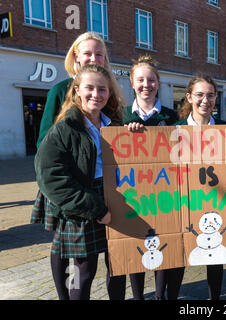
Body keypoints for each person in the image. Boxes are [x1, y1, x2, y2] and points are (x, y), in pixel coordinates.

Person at [30, 32, 127, 300]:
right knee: (81, 268)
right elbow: (49, 158)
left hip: (108, 188)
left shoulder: (110, 112)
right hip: (78, 189)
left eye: (99, 54)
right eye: (88, 53)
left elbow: (120, 140)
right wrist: (83, 199)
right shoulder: (62, 103)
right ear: (75, 57)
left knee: (115, 259)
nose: (96, 94)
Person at [123, 56, 180, 300]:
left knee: (163, 244)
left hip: (165, 194)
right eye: (141, 80)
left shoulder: (171, 116)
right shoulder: (121, 115)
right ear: (132, 83)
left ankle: (159, 296)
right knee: (136, 246)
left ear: (158, 83)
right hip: (132, 195)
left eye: (151, 80)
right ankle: (137, 296)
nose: (146, 84)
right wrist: (123, 134)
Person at [176, 75, 226, 300]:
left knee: (214, 256)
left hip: (215, 203)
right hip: (183, 202)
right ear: (189, 97)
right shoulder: (174, 130)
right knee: (178, 255)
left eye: (210, 95)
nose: (205, 100)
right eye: (199, 95)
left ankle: (214, 299)